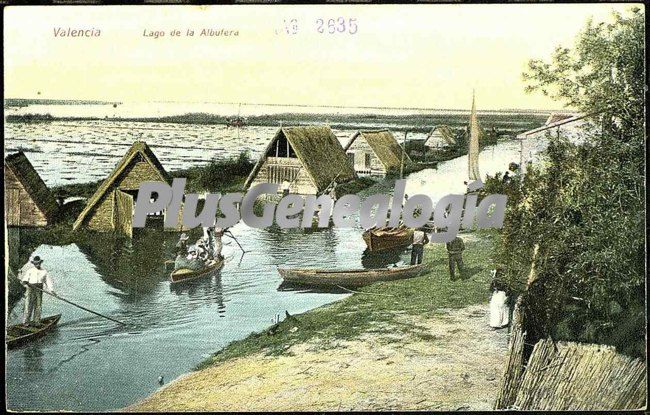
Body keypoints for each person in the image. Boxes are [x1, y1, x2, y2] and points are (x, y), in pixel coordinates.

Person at [19, 256, 54, 325]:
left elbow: (48, 282)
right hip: (30, 288)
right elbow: (24, 280)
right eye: (36, 263)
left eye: (38, 263)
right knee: (28, 305)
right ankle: (26, 322)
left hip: (39, 289)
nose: (37, 265)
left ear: (40, 263)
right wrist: (26, 282)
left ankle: (36, 321)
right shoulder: (30, 271)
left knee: (38, 306)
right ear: (34, 264)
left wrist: (52, 290)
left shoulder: (44, 271)